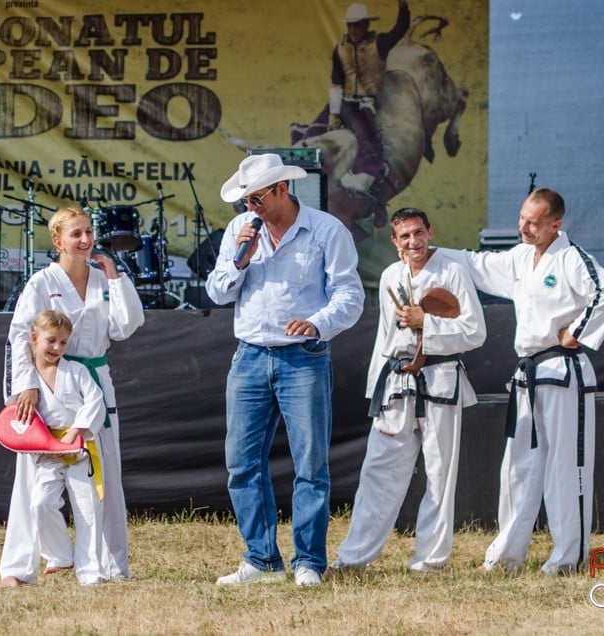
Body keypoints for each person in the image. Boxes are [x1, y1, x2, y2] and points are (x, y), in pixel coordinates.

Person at [441, 188, 604, 575]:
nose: (524, 228)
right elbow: (477, 264)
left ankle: (567, 559)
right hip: (529, 374)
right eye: (522, 219)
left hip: (564, 371)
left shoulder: (573, 258)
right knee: (518, 468)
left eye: (534, 223)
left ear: (555, 225)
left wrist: (577, 330)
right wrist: (431, 253)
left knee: (567, 465)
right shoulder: (521, 258)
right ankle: (506, 557)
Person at [205, 153, 365, 587]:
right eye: (244, 200)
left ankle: (309, 561)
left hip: (304, 356)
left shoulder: (326, 231)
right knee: (240, 462)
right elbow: (217, 293)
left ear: (282, 189)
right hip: (250, 355)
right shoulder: (239, 234)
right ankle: (261, 560)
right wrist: (240, 260)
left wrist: (318, 322)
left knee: (310, 463)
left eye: (256, 198)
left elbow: (350, 296)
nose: (249, 208)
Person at [330, 207, 485, 574]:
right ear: (395, 241)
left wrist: (426, 322)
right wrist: (376, 389)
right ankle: (353, 559)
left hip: (440, 378)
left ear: (430, 232)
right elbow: (385, 336)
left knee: (439, 475)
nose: (413, 241)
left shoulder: (453, 272)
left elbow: (475, 332)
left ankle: (429, 562)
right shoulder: (389, 277)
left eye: (419, 233)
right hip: (397, 382)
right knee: (378, 471)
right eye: (405, 236)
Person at [0, 206, 144, 586]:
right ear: (57, 240)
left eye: (88, 233)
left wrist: (115, 277)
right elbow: (20, 335)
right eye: (76, 234)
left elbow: (126, 326)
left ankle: (112, 566)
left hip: (94, 383)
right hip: (47, 385)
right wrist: (25, 385)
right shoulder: (41, 282)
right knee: (32, 481)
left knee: (105, 477)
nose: (85, 240)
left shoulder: (102, 279)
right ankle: (19, 567)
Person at [0, 310, 108, 587]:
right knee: (40, 503)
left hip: (79, 448)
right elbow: (16, 420)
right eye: (51, 341)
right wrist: (40, 443)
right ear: (34, 339)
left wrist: (76, 431)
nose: (57, 348)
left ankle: (91, 573)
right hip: (46, 452)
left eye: (63, 342)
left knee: (87, 510)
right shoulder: (27, 381)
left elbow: (95, 400)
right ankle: (59, 554)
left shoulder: (76, 371)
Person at [291, 1, 410, 223]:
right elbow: (336, 83)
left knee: (370, 146)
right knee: (312, 130)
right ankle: (297, 185)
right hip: (344, 102)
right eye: (351, 26)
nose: (354, 30)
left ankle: (376, 198)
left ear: (366, 25)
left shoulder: (379, 43)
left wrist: (403, 7)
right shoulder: (341, 49)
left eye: (358, 25)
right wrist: (334, 115)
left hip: (369, 103)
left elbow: (400, 28)